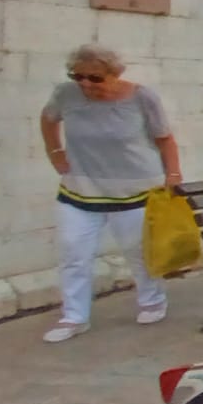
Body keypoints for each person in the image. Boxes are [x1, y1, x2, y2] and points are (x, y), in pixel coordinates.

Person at [37, 44, 183, 343]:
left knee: (138, 252)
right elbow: (48, 118)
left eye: (95, 78)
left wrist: (174, 176)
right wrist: (55, 152)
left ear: (115, 74)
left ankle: (152, 300)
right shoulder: (66, 94)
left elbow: (165, 138)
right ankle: (74, 317)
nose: (86, 84)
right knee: (73, 252)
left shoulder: (142, 98)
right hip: (80, 188)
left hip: (135, 189)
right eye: (78, 76)